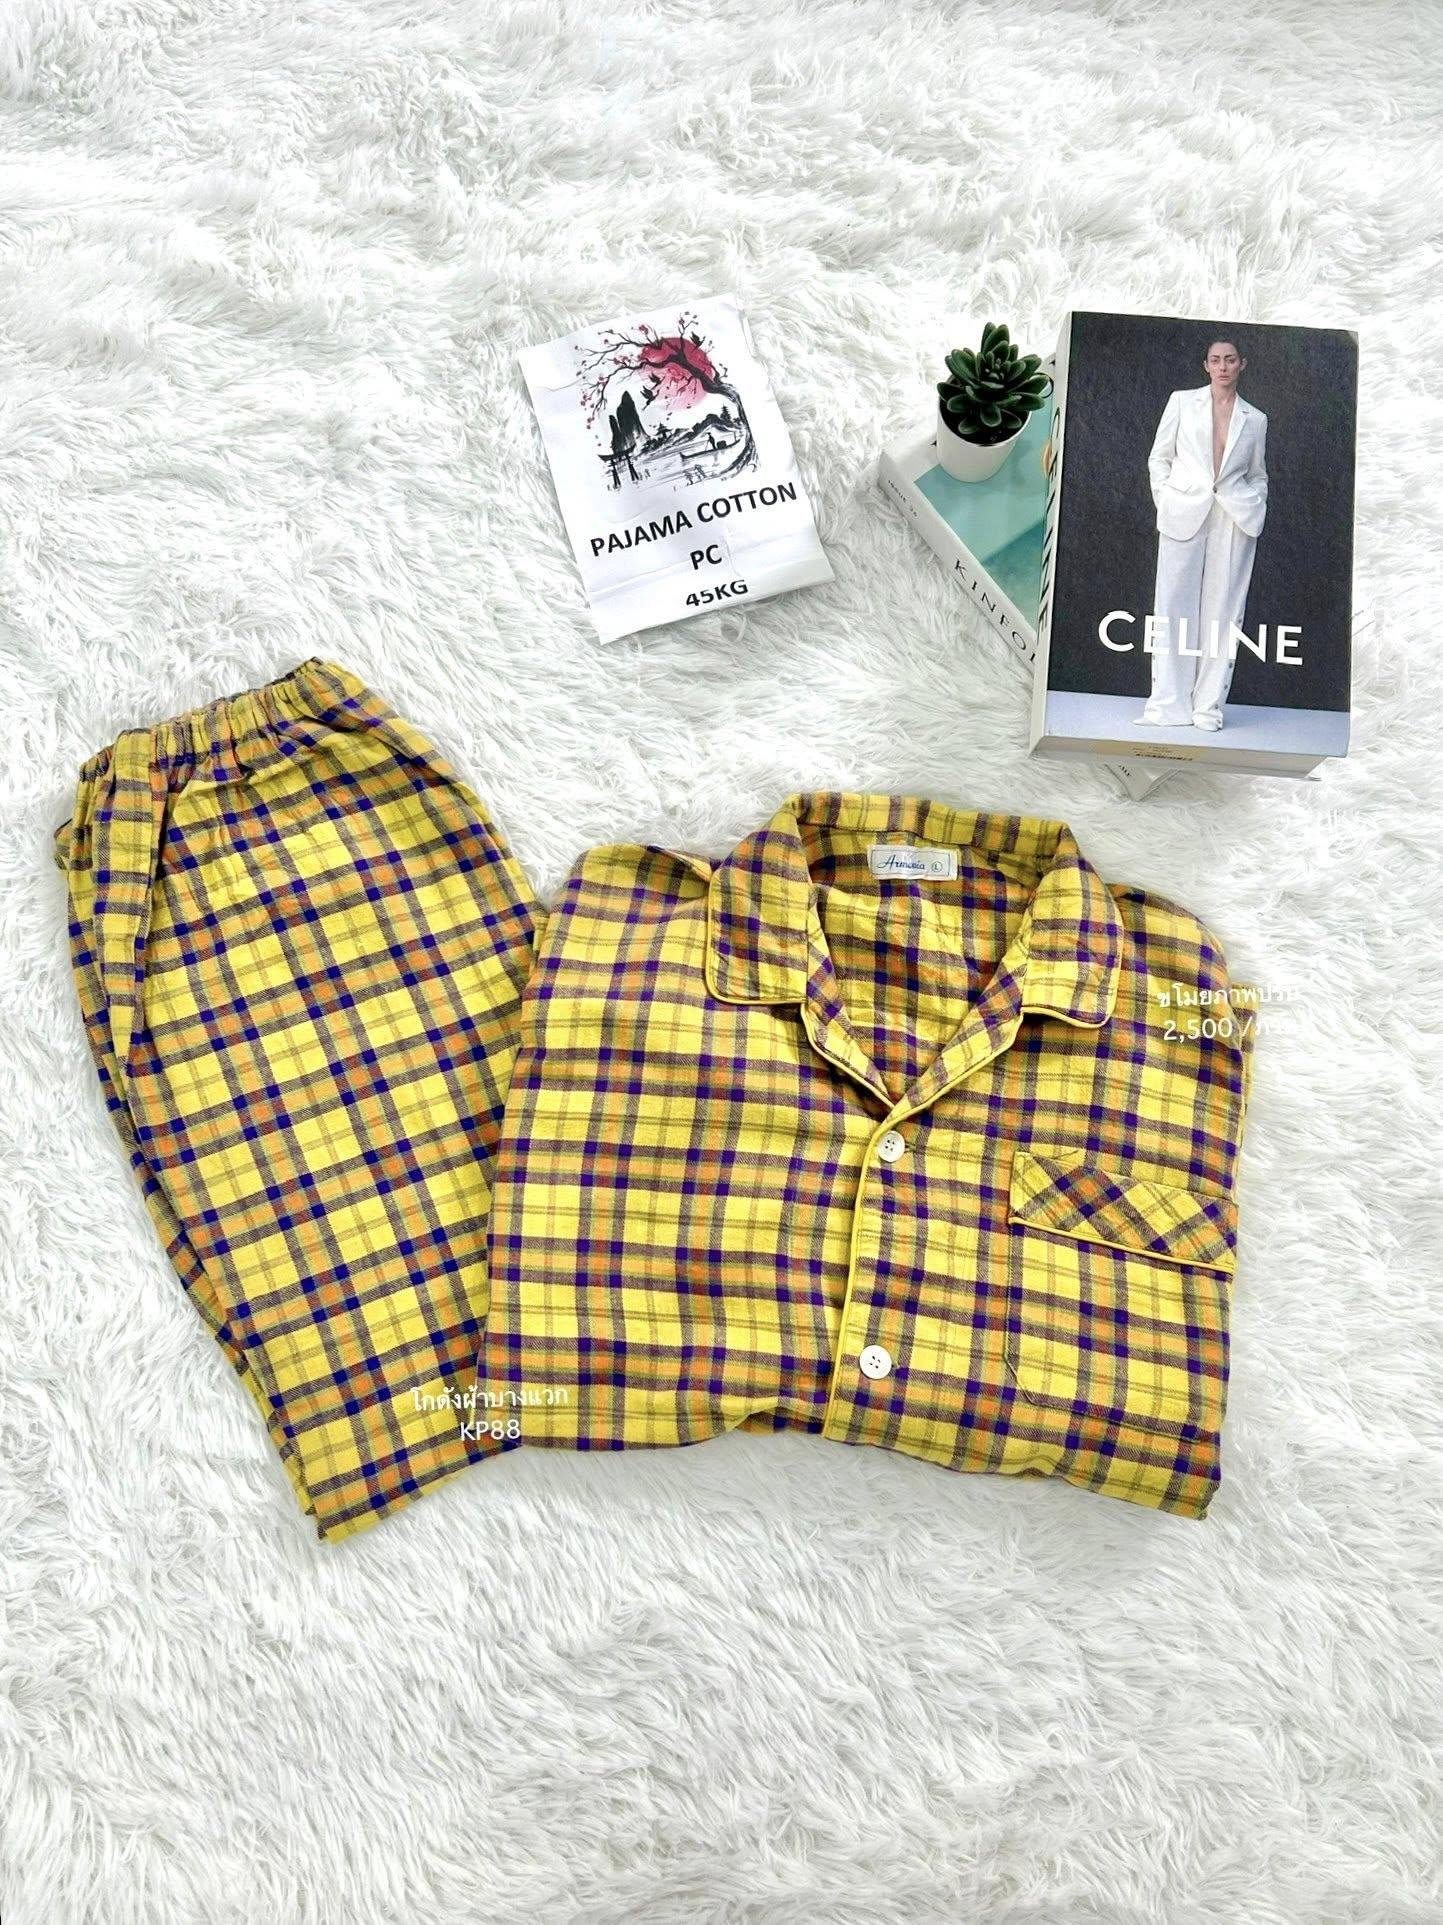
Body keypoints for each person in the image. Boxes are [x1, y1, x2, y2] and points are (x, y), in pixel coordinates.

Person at [1139, 339, 1268, 729]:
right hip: (1183, 509)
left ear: (1242, 364)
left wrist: (1255, 502)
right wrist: (1165, 498)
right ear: (1206, 365)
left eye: (1230, 360)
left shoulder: (1255, 419)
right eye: (1216, 360)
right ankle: (1169, 705)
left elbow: (1257, 473)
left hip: (1233, 516)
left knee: (1224, 612)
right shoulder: (1181, 402)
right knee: (1172, 607)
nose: (1223, 366)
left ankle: (1207, 707)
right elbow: (1159, 457)